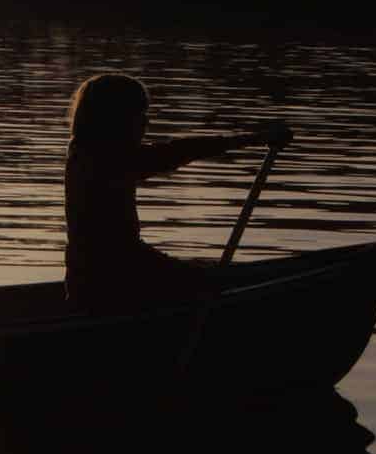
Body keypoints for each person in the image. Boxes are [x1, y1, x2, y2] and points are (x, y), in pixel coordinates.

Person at [64, 72, 290, 311]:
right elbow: (175, 152)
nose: (145, 123)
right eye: (138, 115)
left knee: (210, 273)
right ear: (114, 119)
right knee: (219, 280)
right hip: (111, 286)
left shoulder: (86, 152)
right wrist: (257, 139)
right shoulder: (103, 161)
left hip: (107, 278)